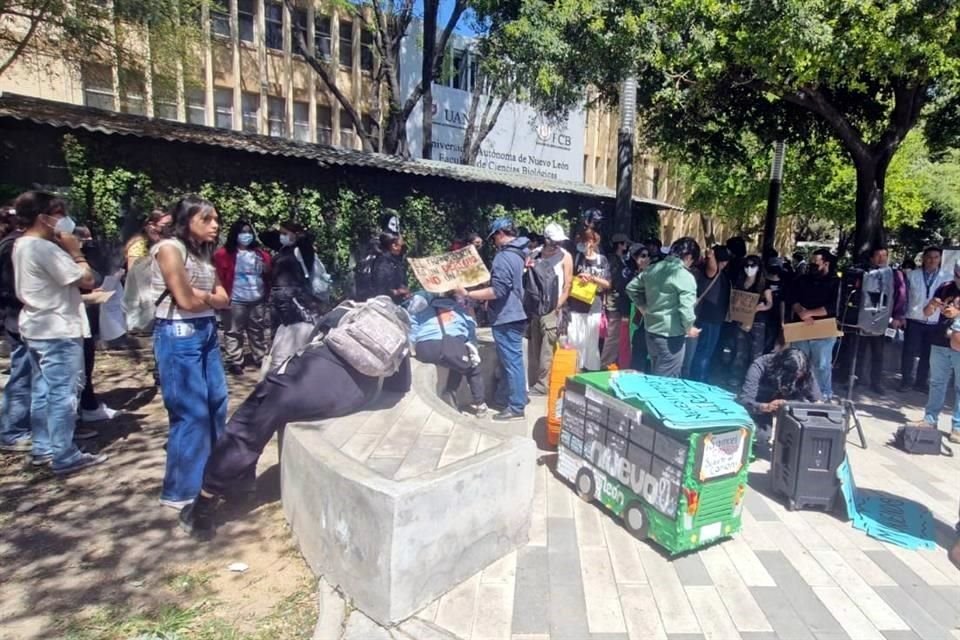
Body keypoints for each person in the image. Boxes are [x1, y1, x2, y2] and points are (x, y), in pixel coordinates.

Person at [179, 305, 412, 539]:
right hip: (354, 397)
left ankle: (202, 511)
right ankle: (242, 484)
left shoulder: (351, 310)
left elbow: (315, 334)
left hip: (308, 380)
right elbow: (400, 386)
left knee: (245, 428)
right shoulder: (400, 334)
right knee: (271, 415)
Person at [8, 192, 105, 474]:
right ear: (43, 218)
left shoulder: (22, 244)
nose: (64, 221)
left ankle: (43, 448)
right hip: (58, 328)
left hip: (37, 326)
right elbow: (86, 279)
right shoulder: (44, 248)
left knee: (42, 390)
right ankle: (64, 454)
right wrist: (76, 251)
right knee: (63, 393)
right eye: (58, 214)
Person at [152, 195, 231, 509]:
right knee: (191, 411)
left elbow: (225, 297)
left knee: (217, 402)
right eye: (207, 220)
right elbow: (184, 301)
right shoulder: (170, 250)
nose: (215, 226)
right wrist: (207, 297)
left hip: (206, 330)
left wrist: (205, 296)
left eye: (216, 219)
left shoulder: (205, 255)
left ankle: (211, 479)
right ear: (186, 222)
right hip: (178, 334)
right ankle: (181, 490)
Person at [455, 218, 528, 421]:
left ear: (500, 234)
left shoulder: (504, 257)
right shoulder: (521, 253)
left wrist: (468, 293)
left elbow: (498, 290)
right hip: (517, 313)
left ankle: (516, 407)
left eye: (494, 237)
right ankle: (508, 398)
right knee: (511, 362)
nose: (494, 242)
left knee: (512, 363)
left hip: (507, 316)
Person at [627, 237, 700, 378]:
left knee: (657, 373)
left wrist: (642, 306)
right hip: (671, 335)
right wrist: (689, 327)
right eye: (692, 261)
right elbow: (686, 309)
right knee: (666, 382)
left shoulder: (654, 268)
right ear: (689, 257)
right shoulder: (684, 275)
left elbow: (631, 288)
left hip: (651, 331)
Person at [408, 290, 486, 416]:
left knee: (454, 359)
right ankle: (479, 404)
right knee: (469, 366)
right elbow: (470, 327)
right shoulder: (459, 310)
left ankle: (451, 394)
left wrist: (412, 348)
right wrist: (472, 346)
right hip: (452, 347)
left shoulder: (424, 310)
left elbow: (413, 327)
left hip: (426, 349)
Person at [908, 261, 960, 444]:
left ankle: (958, 426)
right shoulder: (946, 287)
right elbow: (926, 312)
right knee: (937, 383)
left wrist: (957, 313)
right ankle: (930, 419)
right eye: (958, 276)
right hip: (939, 341)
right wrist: (933, 305)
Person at [213, 220, 272, 376]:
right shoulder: (223, 254)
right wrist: (221, 297)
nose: (246, 235)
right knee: (233, 332)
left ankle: (260, 357)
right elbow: (218, 276)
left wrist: (267, 269)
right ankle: (235, 361)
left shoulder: (261, 254)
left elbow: (268, 274)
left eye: (249, 232)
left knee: (257, 330)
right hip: (235, 299)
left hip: (257, 297)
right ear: (235, 234)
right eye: (242, 232)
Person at [74, 225, 119, 427]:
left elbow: (95, 280)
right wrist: (77, 254)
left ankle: (87, 406)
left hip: (79, 320)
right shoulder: (53, 253)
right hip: (62, 325)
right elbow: (90, 279)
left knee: (85, 364)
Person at [0, 209, 34, 456]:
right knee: (22, 374)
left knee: (30, 374)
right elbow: (14, 288)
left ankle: (26, 426)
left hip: (23, 318)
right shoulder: (14, 247)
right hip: (18, 319)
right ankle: (12, 431)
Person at [788, 248, 840, 400]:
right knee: (798, 362)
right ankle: (797, 393)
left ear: (825, 263)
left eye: (816, 263)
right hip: (801, 326)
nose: (812, 266)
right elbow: (792, 298)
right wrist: (801, 312)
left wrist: (811, 313)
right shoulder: (802, 279)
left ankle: (822, 395)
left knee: (821, 365)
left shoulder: (835, 282)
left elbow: (834, 307)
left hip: (823, 329)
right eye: (811, 263)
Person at [527, 222, 573, 395]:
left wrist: (557, 306)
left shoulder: (565, 256)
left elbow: (567, 285)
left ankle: (542, 384)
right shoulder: (535, 254)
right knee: (535, 347)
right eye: (555, 242)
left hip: (553, 308)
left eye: (560, 242)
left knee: (548, 347)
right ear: (546, 240)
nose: (558, 245)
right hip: (535, 307)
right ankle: (534, 381)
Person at [738, 348, 822, 440]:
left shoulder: (804, 370)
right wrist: (766, 407)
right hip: (761, 405)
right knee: (762, 436)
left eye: (799, 376)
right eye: (794, 376)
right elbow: (745, 400)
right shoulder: (759, 366)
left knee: (799, 436)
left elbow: (817, 402)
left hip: (792, 409)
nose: (797, 377)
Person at [855, 246, 906, 393]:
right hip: (864, 317)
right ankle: (857, 378)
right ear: (871, 258)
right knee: (860, 350)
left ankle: (875, 382)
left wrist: (897, 316)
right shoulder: (865, 272)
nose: (881, 259)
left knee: (878, 352)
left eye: (884, 256)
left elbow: (901, 296)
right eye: (878, 255)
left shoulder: (895, 275)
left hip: (884, 317)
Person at [901, 246, 946, 392]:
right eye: (929, 257)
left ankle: (921, 382)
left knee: (928, 354)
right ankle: (906, 381)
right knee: (909, 352)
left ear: (940, 259)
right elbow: (904, 298)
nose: (932, 260)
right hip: (914, 319)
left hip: (935, 321)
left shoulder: (947, 277)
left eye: (936, 257)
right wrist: (901, 315)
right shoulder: (912, 275)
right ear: (923, 258)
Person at [686, 245, 731, 381]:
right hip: (709, 318)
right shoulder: (711, 272)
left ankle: (698, 377)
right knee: (704, 352)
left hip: (712, 318)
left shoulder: (718, 273)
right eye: (723, 261)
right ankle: (699, 379)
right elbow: (712, 267)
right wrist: (711, 256)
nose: (725, 264)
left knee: (703, 351)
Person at [568, 229, 610, 371]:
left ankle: (591, 370)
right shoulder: (576, 258)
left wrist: (592, 278)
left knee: (592, 342)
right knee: (575, 339)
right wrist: (579, 276)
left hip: (594, 306)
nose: (581, 244)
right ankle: (574, 369)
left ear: (592, 242)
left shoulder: (601, 260)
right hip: (576, 304)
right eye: (579, 241)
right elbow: (569, 278)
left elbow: (607, 284)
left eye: (584, 241)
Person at [731, 255, 773, 375]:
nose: (749, 268)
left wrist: (759, 308)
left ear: (758, 267)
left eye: (752, 266)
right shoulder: (740, 282)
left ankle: (753, 378)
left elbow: (770, 303)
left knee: (756, 353)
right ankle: (737, 375)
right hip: (740, 320)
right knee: (740, 350)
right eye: (746, 266)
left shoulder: (764, 284)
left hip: (757, 322)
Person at [601, 232, 632, 369]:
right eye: (625, 244)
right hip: (614, 301)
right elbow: (613, 281)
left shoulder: (622, 259)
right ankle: (605, 364)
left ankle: (611, 362)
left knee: (617, 335)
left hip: (622, 302)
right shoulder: (613, 260)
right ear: (619, 245)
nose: (626, 246)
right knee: (612, 335)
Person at [626, 243, 652, 371]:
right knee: (635, 344)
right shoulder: (631, 274)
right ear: (635, 258)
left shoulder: (653, 274)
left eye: (648, 256)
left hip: (649, 315)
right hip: (635, 311)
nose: (646, 259)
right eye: (643, 256)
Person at [372, 232, 411, 304]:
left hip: (399, 300)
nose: (402, 247)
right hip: (387, 304)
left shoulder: (395, 261)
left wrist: (405, 290)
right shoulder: (383, 263)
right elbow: (380, 290)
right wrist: (398, 292)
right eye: (401, 245)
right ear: (394, 246)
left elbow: (399, 281)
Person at [764, 257, 787, 352]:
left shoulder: (784, 283)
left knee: (771, 340)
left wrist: (782, 319)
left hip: (776, 316)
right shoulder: (762, 281)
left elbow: (783, 302)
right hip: (762, 316)